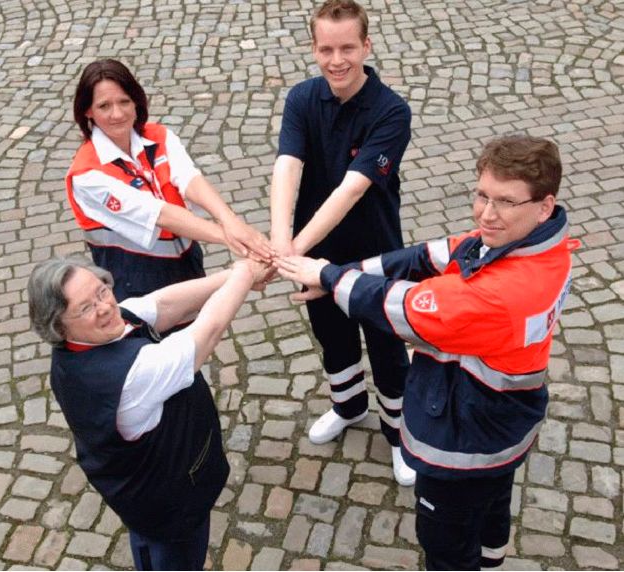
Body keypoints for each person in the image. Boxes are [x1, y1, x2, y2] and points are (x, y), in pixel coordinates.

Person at [276, 135, 573, 570]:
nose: (486, 215)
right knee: (491, 516)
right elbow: (435, 254)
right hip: (503, 427)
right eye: (482, 195)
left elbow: (400, 307)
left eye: (505, 202)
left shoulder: (504, 291)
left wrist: (326, 273)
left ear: (543, 206)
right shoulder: (538, 244)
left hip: (463, 439)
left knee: (447, 546)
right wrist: (348, 273)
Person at [28, 255, 270, 570]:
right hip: (170, 503)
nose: (104, 307)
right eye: (85, 308)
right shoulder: (130, 375)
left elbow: (162, 305)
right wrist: (245, 273)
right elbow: (207, 332)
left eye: (102, 291)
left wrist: (236, 276)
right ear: (59, 326)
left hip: (138, 490)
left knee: (148, 542)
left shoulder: (85, 342)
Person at [268, 0, 414, 484]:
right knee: (332, 337)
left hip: (375, 256)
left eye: (347, 48)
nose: (337, 60)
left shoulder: (391, 111)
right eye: (326, 49)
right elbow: (287, 166)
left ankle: (400, 436)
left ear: (366, 46)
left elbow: (351, 189)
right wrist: (280, 239)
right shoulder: (303, 98)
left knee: (387, 347)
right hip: (315, 255)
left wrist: (289, 254)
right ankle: (348, 405)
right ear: (313, 48)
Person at [66, 58, 272, 301]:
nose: (118, 114)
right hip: (135, 285)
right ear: (88, 111)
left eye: (124, 102)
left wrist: (231, 221)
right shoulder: (86, 175)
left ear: (136, 101)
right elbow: (158, 214)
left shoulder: (159, 136)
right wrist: (234, 239)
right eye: (104, 106)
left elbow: (189, 179)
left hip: (187, 265)